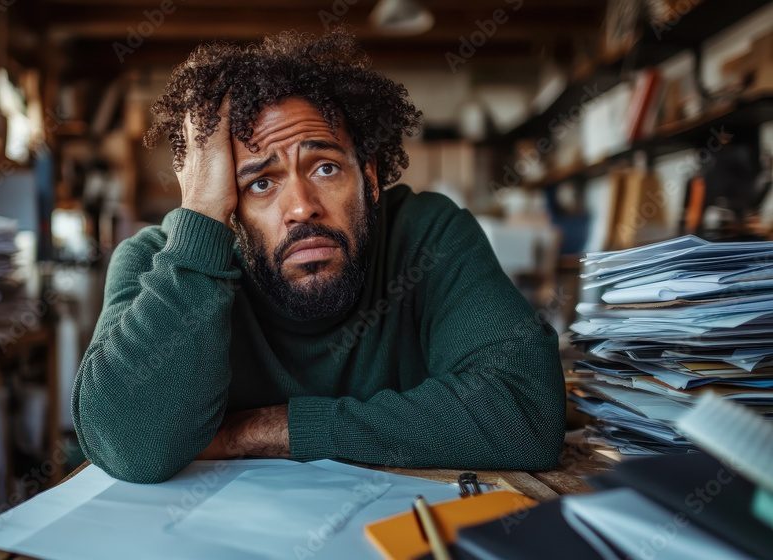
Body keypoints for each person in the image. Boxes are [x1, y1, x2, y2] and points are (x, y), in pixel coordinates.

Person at [72, 30, 565, 483]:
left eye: (326, 168)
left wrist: (271, 429)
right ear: (226, 202)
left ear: (369, 178)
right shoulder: (160, 262)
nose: (302, 206)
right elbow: (126, 445)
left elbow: (527, 412)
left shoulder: (428, 236)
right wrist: (201, 216)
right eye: (260, 183)